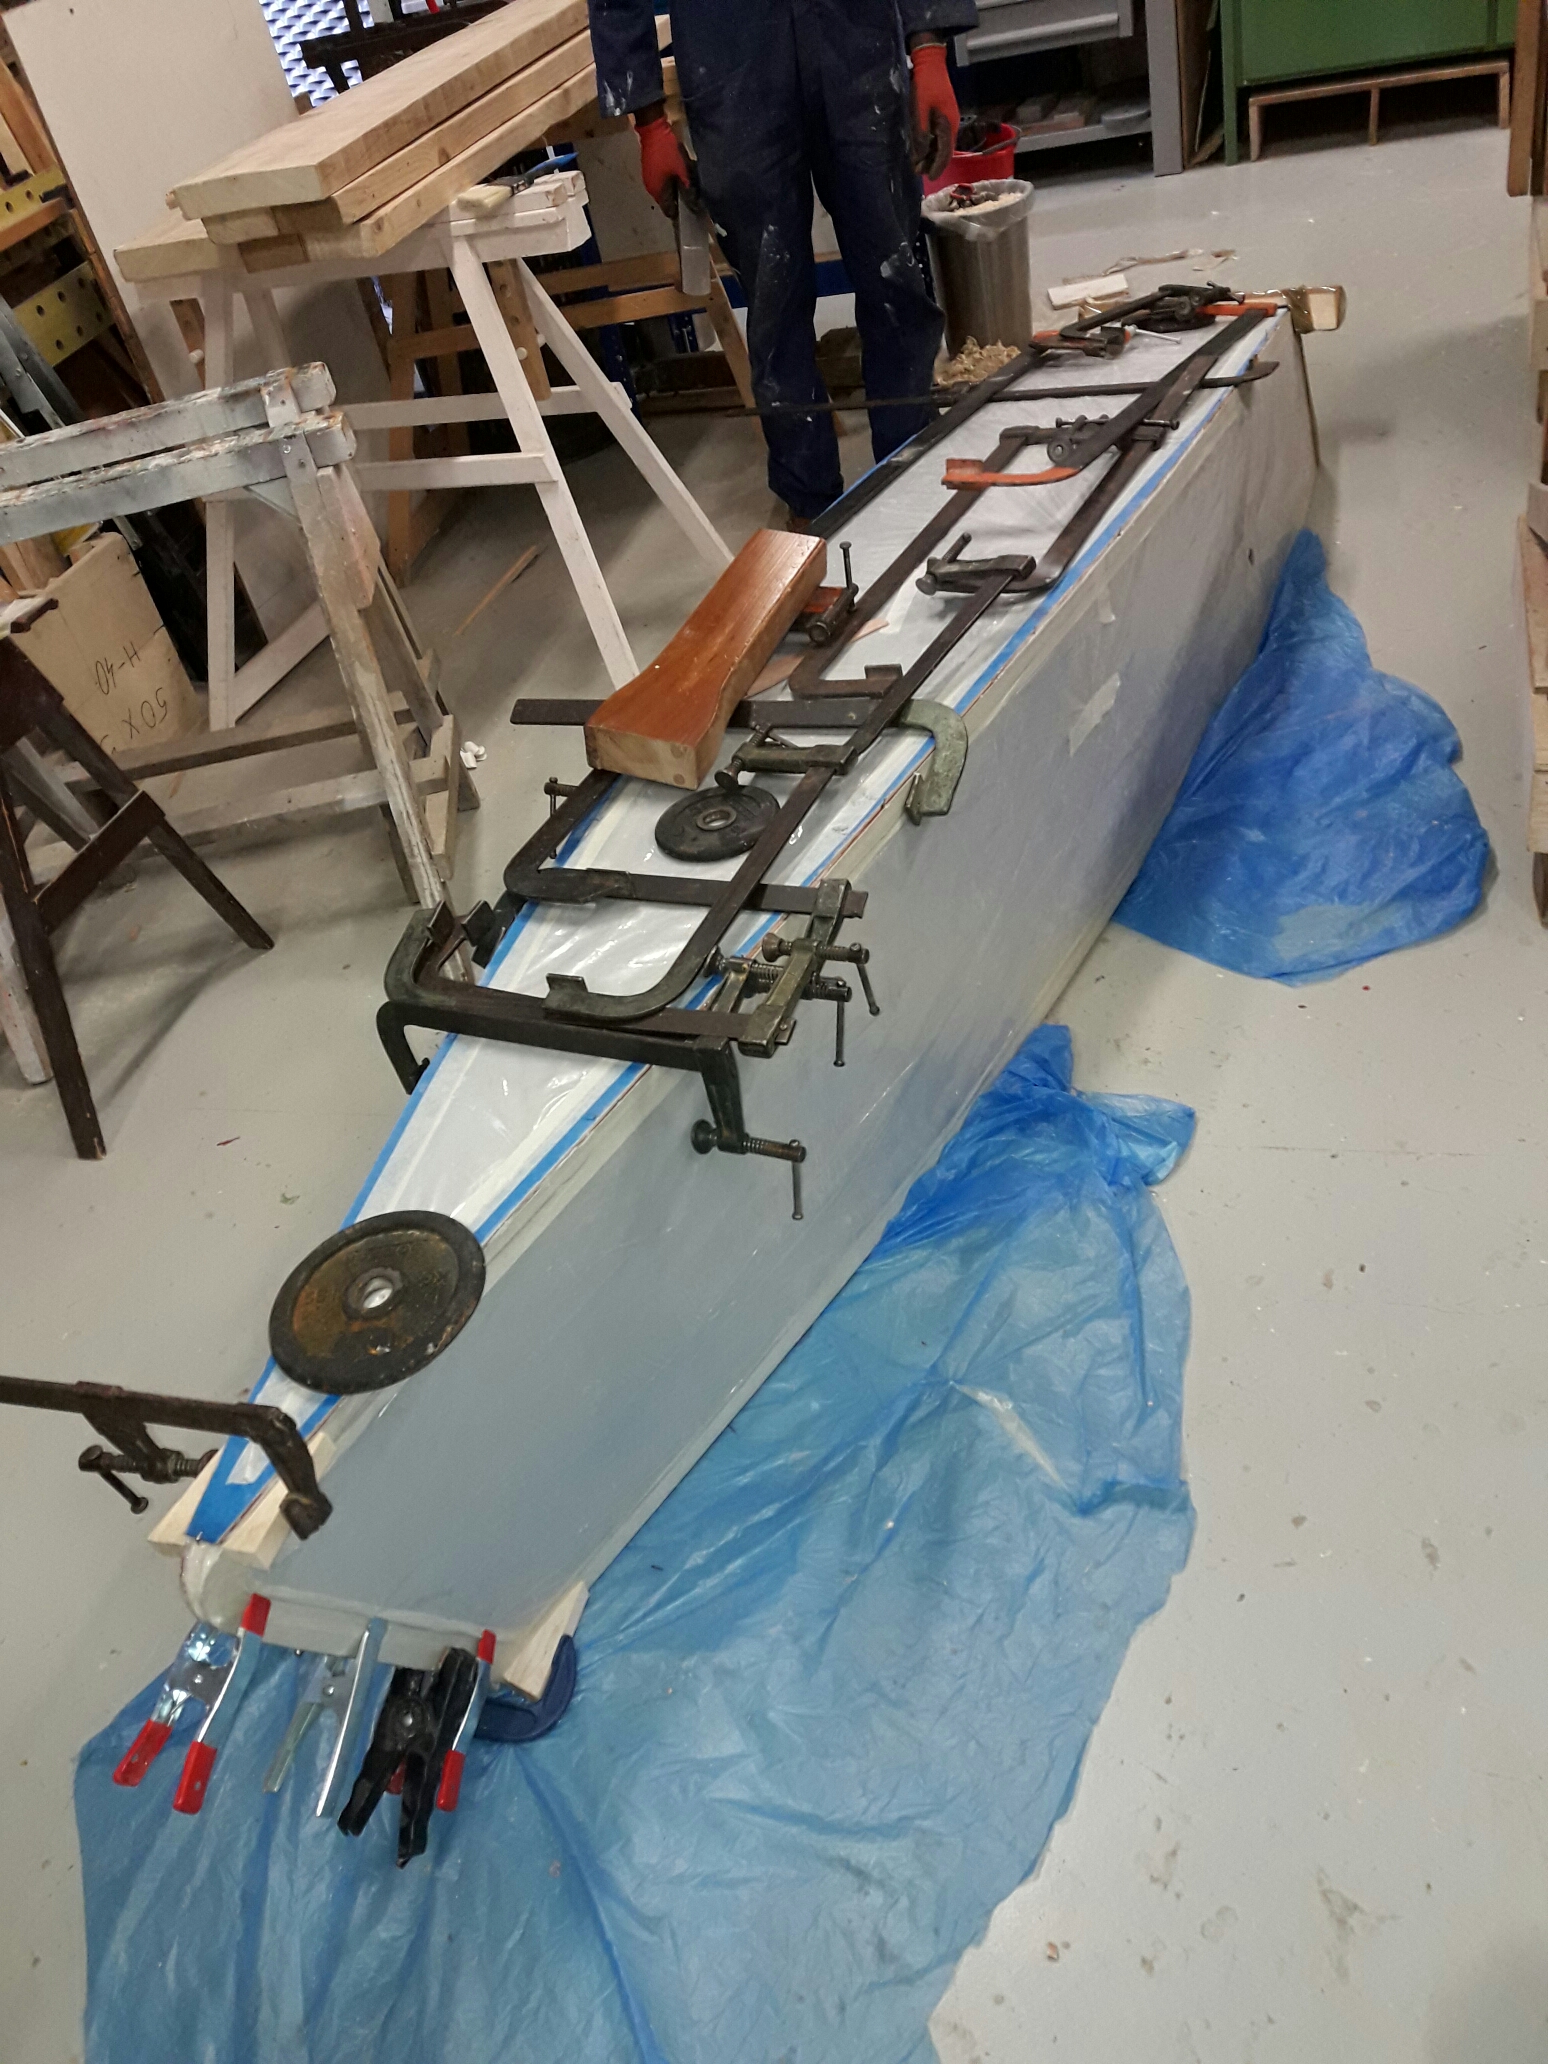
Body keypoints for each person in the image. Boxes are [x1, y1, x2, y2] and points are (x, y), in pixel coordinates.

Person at [586, 0, 977, 524]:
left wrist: (928, 49)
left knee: (894, 277)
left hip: (856, 46)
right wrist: (650, 122)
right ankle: (809, 504)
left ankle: (910, 471)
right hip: (733, 64)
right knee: (773, 301)